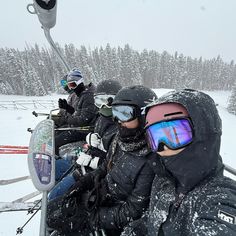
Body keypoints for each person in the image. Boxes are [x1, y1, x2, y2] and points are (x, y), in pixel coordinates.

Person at [47, 85, 157, 236]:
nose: (118, 120)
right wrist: (85, 181)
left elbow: (133, 211)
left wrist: (92, 219)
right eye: (116, 112)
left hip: (110, 217)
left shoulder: (151, 161)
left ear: (145, 115)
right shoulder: (122, 140)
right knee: (52, 210)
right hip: (99, 196)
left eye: (125, 113)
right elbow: (105, 167)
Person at [124, 89, 236, 235]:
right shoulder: (164, 178)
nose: (162, 147)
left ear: (203, 133)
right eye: (155, 137)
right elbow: (153, 220)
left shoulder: (218, 200)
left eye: (175, 134)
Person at [48, 80, 122, 201]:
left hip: (91, 171)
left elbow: (116, 164)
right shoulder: (101, 118)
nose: (104, 106)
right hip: (83, 161)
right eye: (99, 101)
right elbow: (80, 114)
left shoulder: (121, 127)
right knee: (52, 168)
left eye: (109, 101)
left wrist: (95, 162)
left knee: (54, 196)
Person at [54, 69, 98, 156]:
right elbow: (78, 113)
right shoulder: (81, 94)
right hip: (79, 128)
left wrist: (66, 119)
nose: (71, 88)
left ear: (80, 82)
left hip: (85, 130)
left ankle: (58, 163)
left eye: (73, 85)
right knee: (57, 133)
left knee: (56, 142)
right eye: (69, 85)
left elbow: (83, 120)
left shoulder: (88, 96)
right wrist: (67, 108)